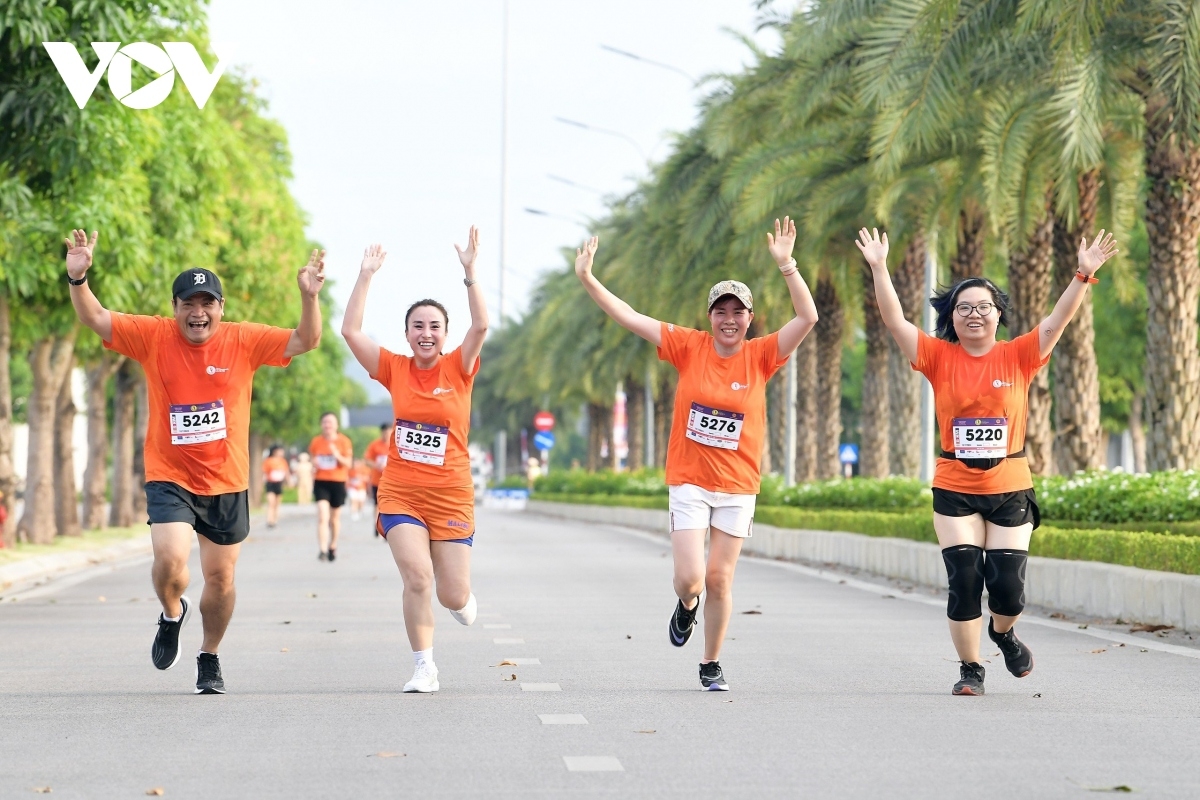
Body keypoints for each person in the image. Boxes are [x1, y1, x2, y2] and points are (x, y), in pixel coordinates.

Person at [856, 226, 1119, 696]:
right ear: (951, 317)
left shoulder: (1018, 355)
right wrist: (879, 266)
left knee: (1008, 589)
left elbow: (1056, 322)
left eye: (983, 306)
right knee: (963, 578)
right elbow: (894, 320)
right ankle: (970, 668)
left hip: (1009, 485)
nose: (974, 314)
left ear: (998, 315)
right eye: (964, 307)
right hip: (954, 486)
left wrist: (1083, 274)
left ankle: (1003, 632)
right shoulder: (937, 357)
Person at [64, 228, 325, 694]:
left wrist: (309, 297)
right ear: (175, 308)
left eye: (207, 304)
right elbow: (98, 319)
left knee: (220, 579)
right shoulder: (153, 336)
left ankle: (210, 655)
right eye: (188, 303)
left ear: (221, 309)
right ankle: (171, 613)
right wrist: (79, 280)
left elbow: (307, 340)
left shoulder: (245, 340)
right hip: (170, 475)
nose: (198, 312)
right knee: (170, 561)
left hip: (227, 480)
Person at [574, 218, 818, 691]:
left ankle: (711, 662)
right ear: (710, 316)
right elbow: (628, 316)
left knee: (720, 579)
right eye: (721, 311)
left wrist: (787, 265)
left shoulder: (763, 355)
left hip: (737, 487)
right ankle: (687, 607)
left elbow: (807, 318)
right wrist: (588, 278)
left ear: (750, 318)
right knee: (691, 580)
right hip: (689, 480)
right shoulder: (689, 346)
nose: (730, 320)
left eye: (738, 313)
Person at [341, 229, 488, 693]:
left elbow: (481, 326)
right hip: (401, 492)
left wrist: (469, 273)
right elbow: (349, 331)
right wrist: (365, 276)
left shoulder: (459, 368)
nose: (426, 334)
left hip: (451, 495)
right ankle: (424, 666)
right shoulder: (394, 368)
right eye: (418, 327)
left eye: (434, 327)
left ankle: (461, 600)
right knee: (418, 577)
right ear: (407, 334)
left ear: (444, 336)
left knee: (452, 593)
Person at [308, 412, 352, 561]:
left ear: (336, 425)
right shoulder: (316, 442)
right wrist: (313, 464)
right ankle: (322, 549)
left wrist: (336, 454)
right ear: (322, 425)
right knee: (322, 515)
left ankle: (333, 544)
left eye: (330, 422)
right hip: (321, 481)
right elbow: (313, 459)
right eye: (325, 422)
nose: (328, 425)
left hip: (338, 482)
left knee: (334, 519)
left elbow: (348, 464)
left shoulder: (344, 442)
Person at [364, 423, 390, 535]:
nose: (387, 435)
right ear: (381, 433)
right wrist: (376, 465)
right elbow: (367, 460)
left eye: (389, 432)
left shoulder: (396, 445)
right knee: (377, 504)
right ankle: (376, 524)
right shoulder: (374, 445)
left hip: (391, 481)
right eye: (385, 433)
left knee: (388, 504)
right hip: (377, 480)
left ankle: (386, 526)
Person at [262, 445, 290, 528]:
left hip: (279, 483)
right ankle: (269, 519)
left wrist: (289, 481)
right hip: (270, 483)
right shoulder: (268, 461)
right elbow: (264, 472)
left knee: (277, 503)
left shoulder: (283, 461)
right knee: (271, 502)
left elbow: (286, 472)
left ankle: (275, 519)